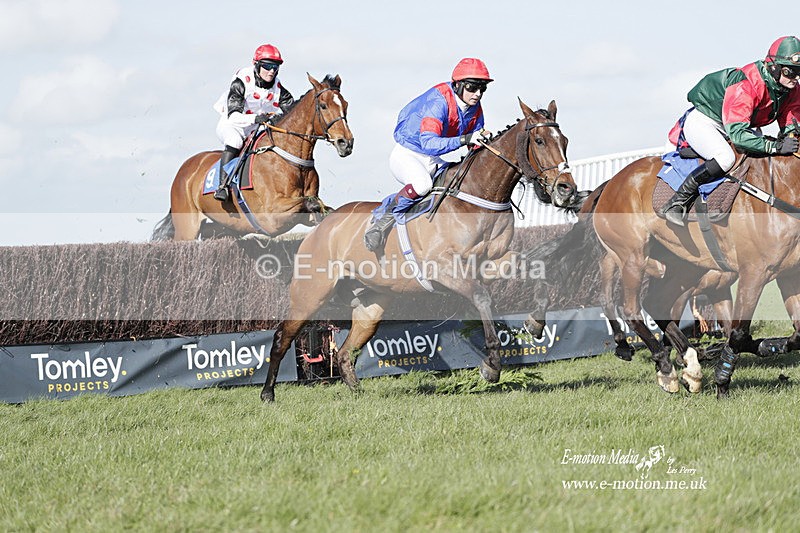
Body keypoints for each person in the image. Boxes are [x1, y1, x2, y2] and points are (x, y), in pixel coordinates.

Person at [662, 36, 800, 226]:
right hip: (707, 121)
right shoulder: (747, 83)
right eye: (790, 72)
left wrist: (791, 136)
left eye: (799, 72)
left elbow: (792, 120)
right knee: (725, 158)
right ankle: (677, 202)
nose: (795, 78)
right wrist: (776, 146)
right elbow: (739, 136)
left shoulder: (790, 88)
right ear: (774, 67)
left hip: (737, 125)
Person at [363, 57, 492, 251]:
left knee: (456, 180)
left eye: (482, 88)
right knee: (422, 186)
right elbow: (430, 143)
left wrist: (483, 142)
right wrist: (466, 139)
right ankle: (381, 223)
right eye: (473, 87)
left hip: (432, 158)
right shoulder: (438, 101)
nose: (478, 94)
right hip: (408, 153)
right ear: (457, 85)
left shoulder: (474, 107)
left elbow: (475, 141)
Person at [212, 43, 295, 201]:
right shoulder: (241, 81)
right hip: (232, 124)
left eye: (275, 67)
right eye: (267, 66)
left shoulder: (278, 88)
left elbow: (293, 112)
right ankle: (222, 186)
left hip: (255, 128)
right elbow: (234, 115)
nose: (272, 71)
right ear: (256, 64)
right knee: (235, 141)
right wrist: (256, 118)